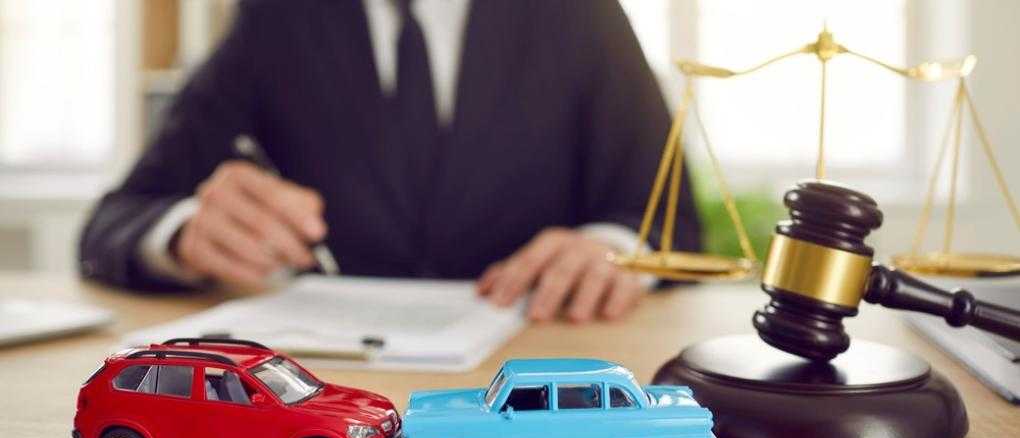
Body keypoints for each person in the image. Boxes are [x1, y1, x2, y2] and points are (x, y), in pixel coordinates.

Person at [79, 0, 700, 323]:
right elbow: (117, 220)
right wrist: (187, 232)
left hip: (540, 365)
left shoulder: (578, 12)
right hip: (329, 385)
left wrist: (611, 248)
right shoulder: (275, 19)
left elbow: (672, 219)